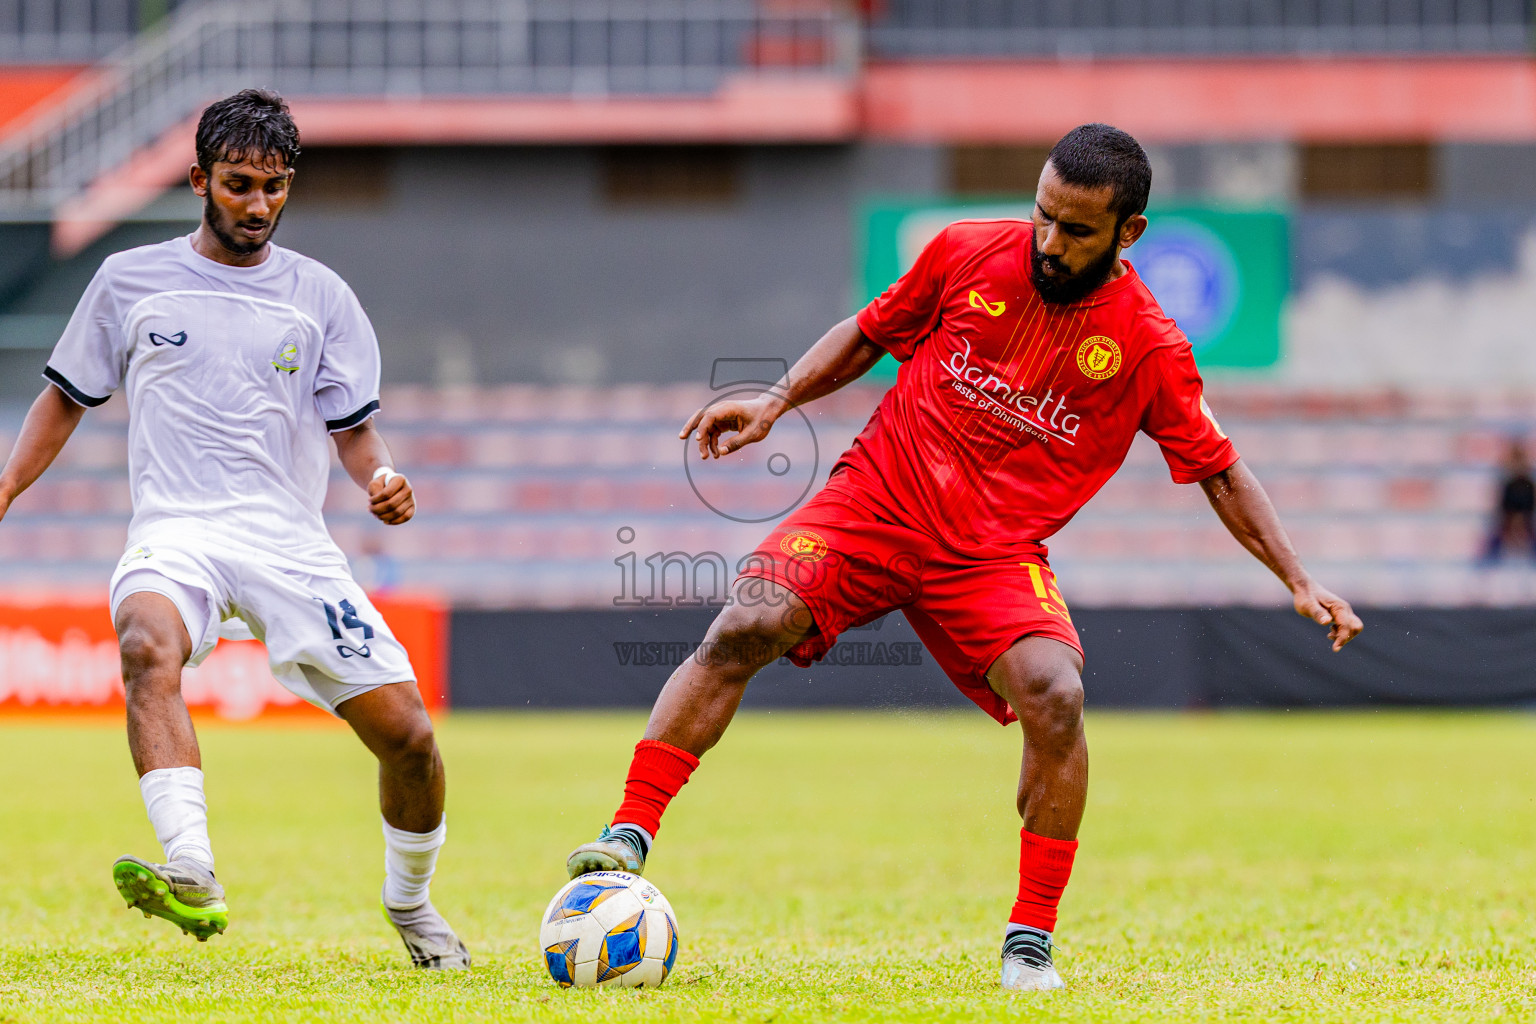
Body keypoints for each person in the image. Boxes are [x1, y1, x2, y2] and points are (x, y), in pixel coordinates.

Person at [564, 123, 1363, 991]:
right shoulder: (966, 251)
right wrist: (777, 399)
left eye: (1077, 230)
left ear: (1128, 232)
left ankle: (1030, 940)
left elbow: (1218, 471)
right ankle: (629, 834)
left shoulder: (1148, 346)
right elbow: (869, 330)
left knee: (1057, 696)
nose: (1049, 244)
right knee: (743, 623)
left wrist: (1297, 577)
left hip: (991, 555)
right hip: (876, 499)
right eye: (1042, 216)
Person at [0, 90, 468, 968]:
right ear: (198, 182)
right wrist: (7, 487)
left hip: (289, 541)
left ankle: (411, 905)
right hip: (175, 527)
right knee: (145, 642)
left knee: (409, 738)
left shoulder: (320, 297)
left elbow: (354, 429)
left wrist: (383, 478)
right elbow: (63, 398)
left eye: (275, 187)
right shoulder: (127, 282)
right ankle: (192, 869)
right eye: (239, 184)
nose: (258, 205)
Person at [1482, 439, 1536, 561]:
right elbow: (1502, 508)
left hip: (1526, 521)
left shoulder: (1529, 484)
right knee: (1492, 543)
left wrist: (1521, 521)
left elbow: (1530, 507)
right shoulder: (1507, 484)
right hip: (1508, 521)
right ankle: (1485, 567)